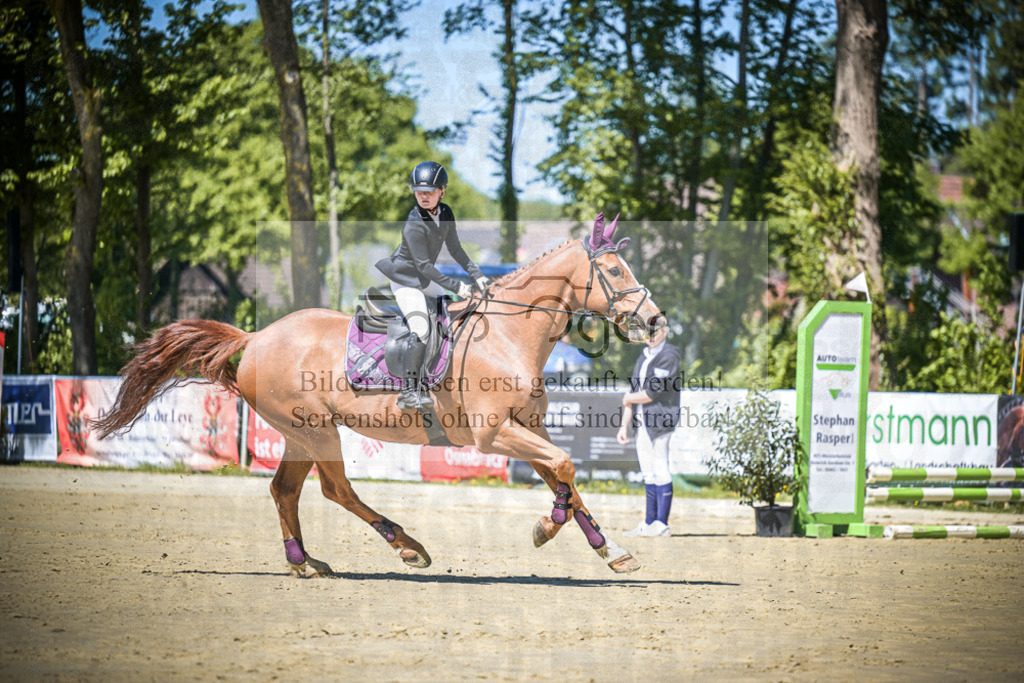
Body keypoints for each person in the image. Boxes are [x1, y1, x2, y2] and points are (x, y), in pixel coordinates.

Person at [375, 161, 490, 410]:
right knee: (422, 327)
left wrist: (476, 273)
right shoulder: (414, 225)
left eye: (429, 192)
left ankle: (440, 374)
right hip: (406, 280)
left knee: (450, 316)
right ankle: (409, 391)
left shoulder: (446, 213)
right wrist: (457, 286)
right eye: (418, 192)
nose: (423, 196)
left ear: (442, 191)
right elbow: (425, 266)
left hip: (424, 279)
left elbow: (456, 249)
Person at [616, 326, 681, 537]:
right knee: (647, 471)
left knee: (660, 467)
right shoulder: (643, 356)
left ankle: (662, 524)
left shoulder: (669, 355)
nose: (650, 338)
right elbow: (633, 393)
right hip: (642, 421)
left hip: (660, 420)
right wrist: (624, 425)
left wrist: (629, 399)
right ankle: (649, 521)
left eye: (654, 332)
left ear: (664, 331)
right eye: (647, 333)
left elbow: (652, 393)